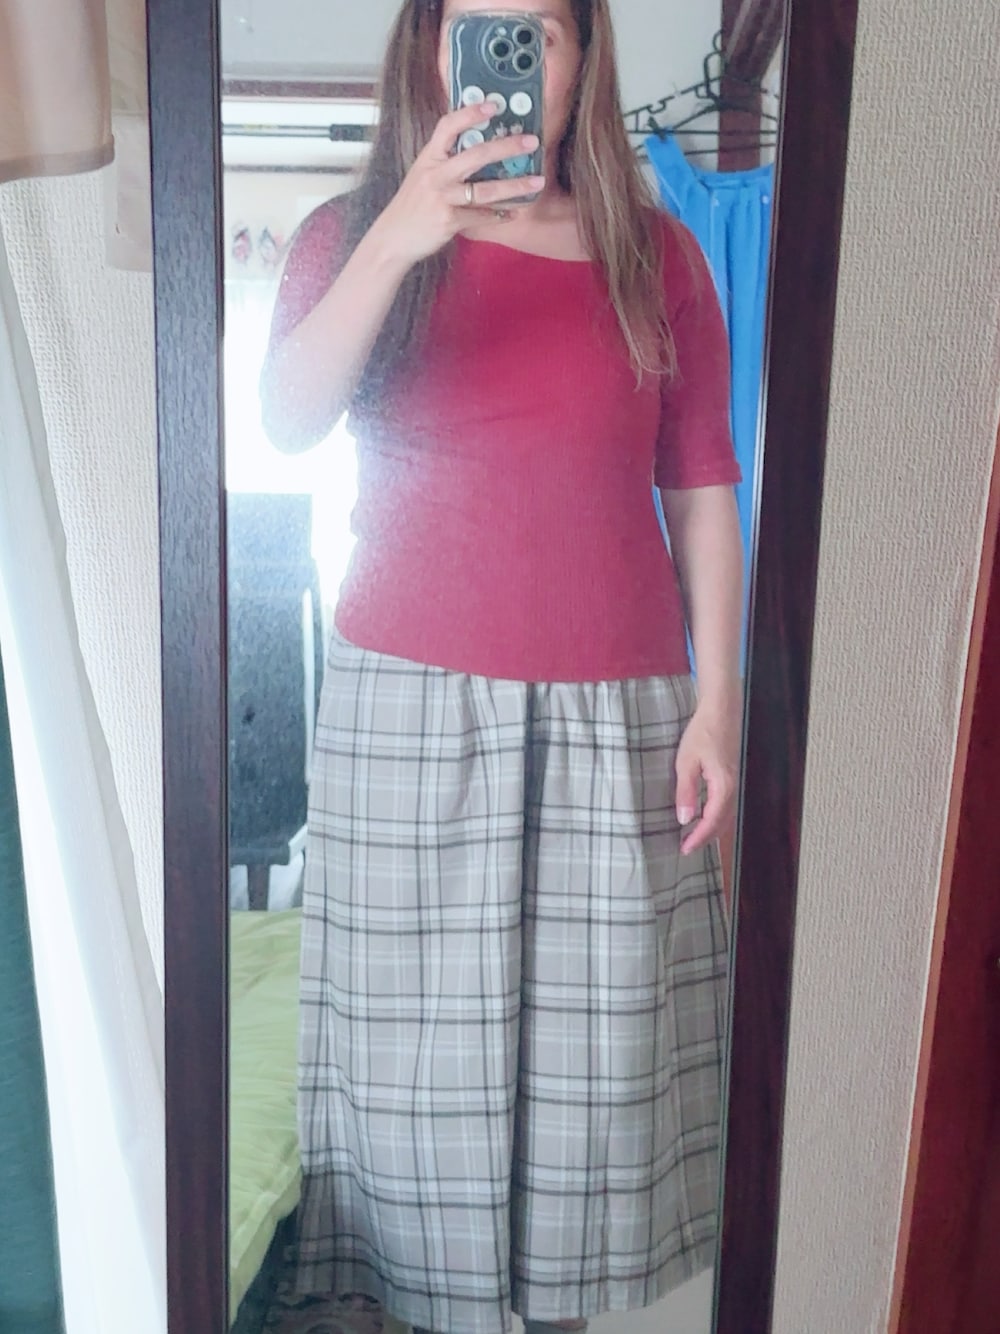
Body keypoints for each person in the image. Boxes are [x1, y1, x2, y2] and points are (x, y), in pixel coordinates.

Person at [259, 2, 744, 1332]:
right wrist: (406, 231)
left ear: (582, 60)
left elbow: (703, 488)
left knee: (593, 1109)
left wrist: (721, 704)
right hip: (407, 721)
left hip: (619, 719)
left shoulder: (657, 256)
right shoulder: (349, 237)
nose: (509, 56)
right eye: (477, 25)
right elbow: (286, 422)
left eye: (539, 30)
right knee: (417, 1104)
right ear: (428, 46)